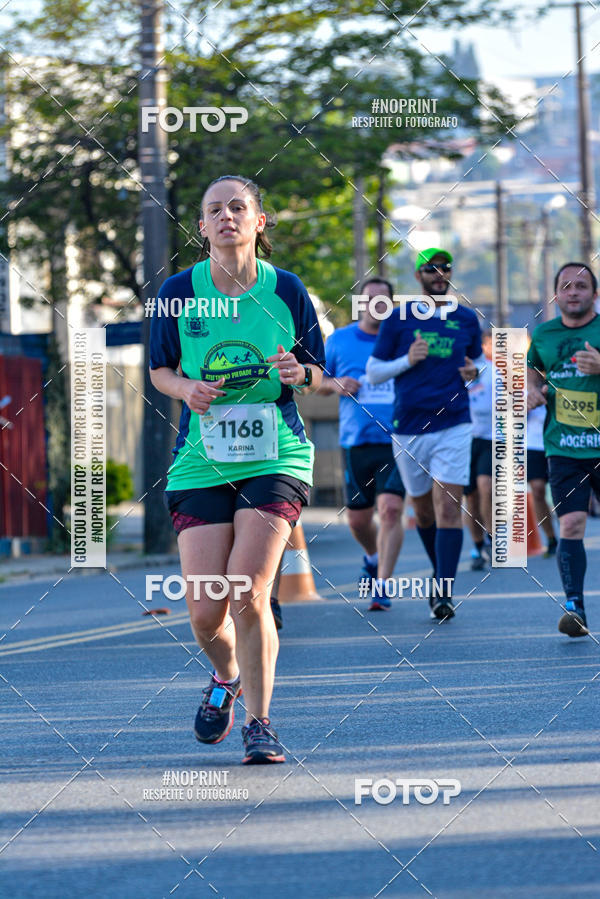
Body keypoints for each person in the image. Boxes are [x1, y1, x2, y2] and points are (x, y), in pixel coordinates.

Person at [149, 174, 325, 762]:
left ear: (258, 221)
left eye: (238, 207)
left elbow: (318, 373)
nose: (227, 216)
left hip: (277, 453)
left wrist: (302, 374)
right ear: (201, 227)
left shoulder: (288, 290)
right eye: (214, 209)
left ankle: (261, 724)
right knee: (205, 611)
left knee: (249, 592)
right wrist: (187, 388)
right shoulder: (177, 292)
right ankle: (226, 677)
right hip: (202, 459)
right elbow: (160, 371)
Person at [366, 248, 484, 620]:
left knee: (448, 507)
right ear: (418, 276)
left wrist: (474, 373)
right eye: (431, 269)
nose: (439, 274)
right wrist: (407, 360)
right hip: (409, 427)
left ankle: (444, 591)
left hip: (454, 421)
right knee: (422, 511)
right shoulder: (398, 318)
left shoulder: (465, 318)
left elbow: (477, 363)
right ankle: (439, 573)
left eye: (445, 268)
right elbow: (373, 373)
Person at [318, 277, 405, 610]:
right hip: (356, 441)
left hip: (398, 440)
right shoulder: (340, 340)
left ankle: (382, 584)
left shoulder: (403, 340)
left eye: (383, 300)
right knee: (358, 519)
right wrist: (336, 383)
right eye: (370, 300)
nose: (376, 305)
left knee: (391, 509)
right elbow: (315, 381)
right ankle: (372, 556)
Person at [527, 261, 600, 637]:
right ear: (556, 295)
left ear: (595, 294)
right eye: (566, 286)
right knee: (571, 523)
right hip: (564, 447)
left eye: (582, 286)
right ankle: (575, 607)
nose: (573, 292)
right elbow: (532, 372)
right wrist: (530, 391)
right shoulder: (543, 334)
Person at [464, 329, 494, 570]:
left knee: (487, 487)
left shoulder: (492, 372)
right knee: (470, 497)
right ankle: (476, 545)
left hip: (489, 437)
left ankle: (493, 537)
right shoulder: (448, 371)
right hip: (461, 439)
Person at [526, 403, 558, 557]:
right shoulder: (521, 383)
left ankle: (569, 534)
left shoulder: (557, 379)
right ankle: (551, 538)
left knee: (562, 491)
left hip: (559, 441)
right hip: (533, 444)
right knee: (537, 490)